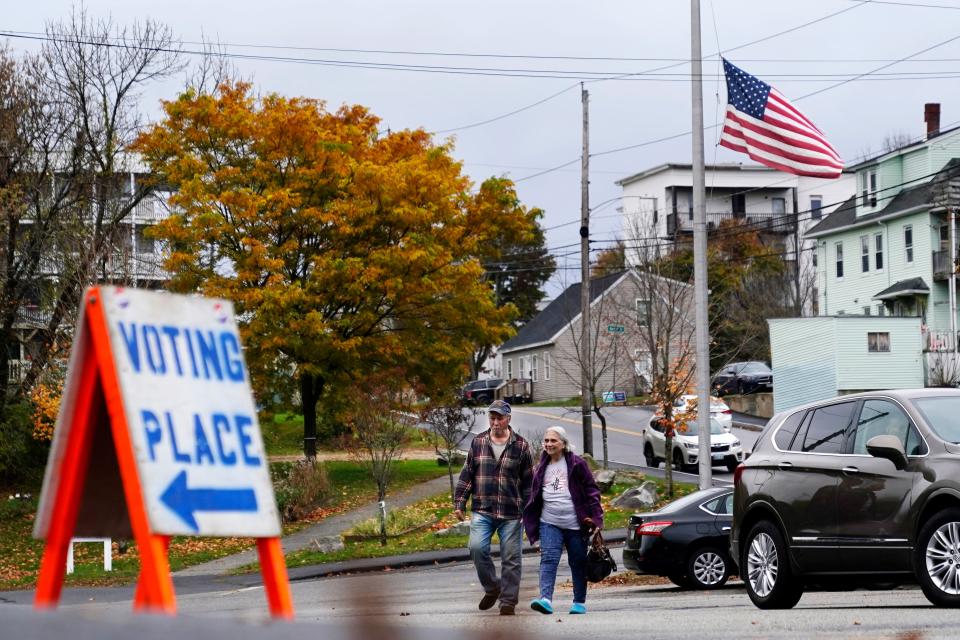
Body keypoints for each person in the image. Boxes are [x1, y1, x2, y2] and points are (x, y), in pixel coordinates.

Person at [454, 399, 534, 616]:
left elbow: (529, 483)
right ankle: (492, 587)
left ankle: (508, 601)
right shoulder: (478, 442)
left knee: (511, 558)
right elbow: (467, 475)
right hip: (483, 509)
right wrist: (460, 502)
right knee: (477, 548)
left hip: (511, 512)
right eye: (492, 417)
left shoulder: (521, 446)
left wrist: (529, 511)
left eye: (500, 418)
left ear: (508, 419)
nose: (496, 422)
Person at [522, 425, 603, 616]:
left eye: (553, 441)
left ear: (563, 443)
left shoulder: (577, 464)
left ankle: (579, 602)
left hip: (576, 523)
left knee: (578, 561)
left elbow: (592, 490)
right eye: (546, 441)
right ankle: (545, 600)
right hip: (549, 522)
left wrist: (597, 519)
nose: (549, 444)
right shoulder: (541, 466)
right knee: (549, 559)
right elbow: (535, 492)